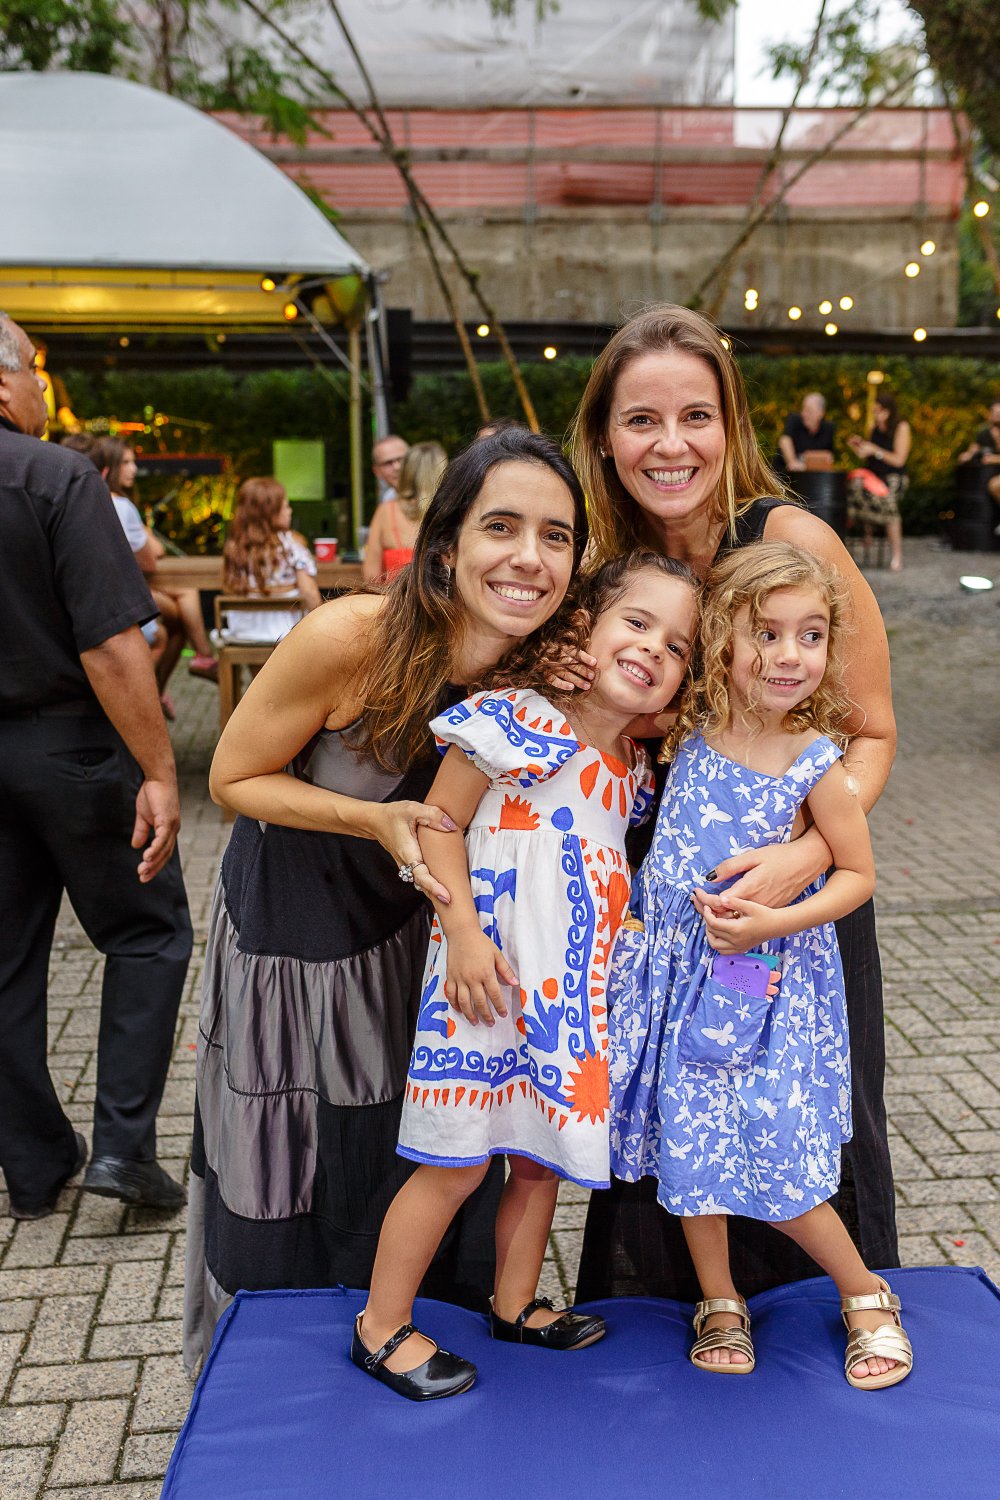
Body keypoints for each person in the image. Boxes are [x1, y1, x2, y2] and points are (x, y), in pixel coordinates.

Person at [183, 427, 589, 1374]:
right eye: (502, 527)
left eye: (557, 536)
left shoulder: (535, 663)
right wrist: (370, 819)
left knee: (418, 1149)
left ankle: (413, 1330)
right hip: (299, 938)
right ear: (444, 544)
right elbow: (232, 778)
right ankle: (276, 1385)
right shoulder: (352, 636)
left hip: (422, 936)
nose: (530, 558)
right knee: (299, 1165)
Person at [568, 302, 899, 1305]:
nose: (670, 445)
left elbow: (872, 732)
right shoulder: (602, 569)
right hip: (669, 922)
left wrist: (806, 854)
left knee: (794, 1125)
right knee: (677, 1115)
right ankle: (698, 1312)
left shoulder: (791, 540)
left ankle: (842, 1308)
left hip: (794, 917)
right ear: (604, 436)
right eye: (641, 420)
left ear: (731, 424)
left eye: (695, 416)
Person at [353, 551, 699, 1400]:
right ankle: (380, 1324)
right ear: (582, 627)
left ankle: (513, 1304)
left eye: (678, 646)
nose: (653, 649)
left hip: (567, 1001)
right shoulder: (518, 717)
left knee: (539, 1162)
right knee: (456, 1163)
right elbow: (437, 823)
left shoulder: (633, 770)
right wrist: (462, 933)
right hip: (486, 980)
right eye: (637, 622)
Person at [610, 540, 912, 1390]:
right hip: (675, 982)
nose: (789, 656)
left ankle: (864, 1292)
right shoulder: (686, 727)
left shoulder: (814, 760)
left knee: (775, 1153)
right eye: (766, 633)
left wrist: (776, 920)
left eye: (810, 636)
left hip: (764, 988)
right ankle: (719, 1298)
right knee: (689, 1142)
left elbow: (857, 875)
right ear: (722, 639)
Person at [0, 313, 191, 1218]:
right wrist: (159, 769)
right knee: (148, 931)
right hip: (72, 746)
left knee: (5, 962)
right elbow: (112, 645)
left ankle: (35, 1165)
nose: (43, 390)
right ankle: (123, 1150)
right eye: (36, 373)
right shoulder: (53, 475)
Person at [218, 477, 322, 641]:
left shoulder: (235, 548)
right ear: (270, 513)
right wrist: (322, 625)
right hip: (286, 633)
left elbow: (229, 588)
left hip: (243, 633)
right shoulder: (292, 547)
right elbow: (309, 592)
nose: (290, 511)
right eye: (285, 506)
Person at [362, 441, 447, 582]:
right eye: (388, 463)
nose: (396, 467)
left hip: (394, 595)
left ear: (408, 469)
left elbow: (371, 575)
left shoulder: (386, 512)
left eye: (400, 460)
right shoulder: (455, 510)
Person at [847, 391, 911, 572]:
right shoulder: (873, 428)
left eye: (878, 411)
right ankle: (866, 535)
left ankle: (897, 555)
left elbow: (899, 460)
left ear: (888, 411)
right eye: (874, 411)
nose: (875, 414)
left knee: (888, 503)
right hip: (872, 477)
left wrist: (875, 450)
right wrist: (859, 446)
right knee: (853, 489)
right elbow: (866, 456)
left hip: (893, 478)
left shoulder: (901, 427)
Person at [957, 399, 1000, 523]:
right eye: (995, 412)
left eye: (999, 413)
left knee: (995, 485)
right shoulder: (984, 433)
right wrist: (966, 456)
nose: (997, 415)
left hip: (995, 477)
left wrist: (994, 459)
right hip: (989, 475)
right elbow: (973, 449)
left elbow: (991, 458)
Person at [775, 392, 835, 475]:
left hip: (811, 478)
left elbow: (827, 456)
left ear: (821, 413)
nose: (803, 413)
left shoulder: (828, 428)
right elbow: (785, 440)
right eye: (803, 409)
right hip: (783, 475)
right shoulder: (794, 420)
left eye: (809, 411)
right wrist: (792, 462)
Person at [371, 432, 409, 501]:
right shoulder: (389, 498)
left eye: (401, 459)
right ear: (377, 471)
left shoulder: (429, 493)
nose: (397, 467)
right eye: (388, 463)